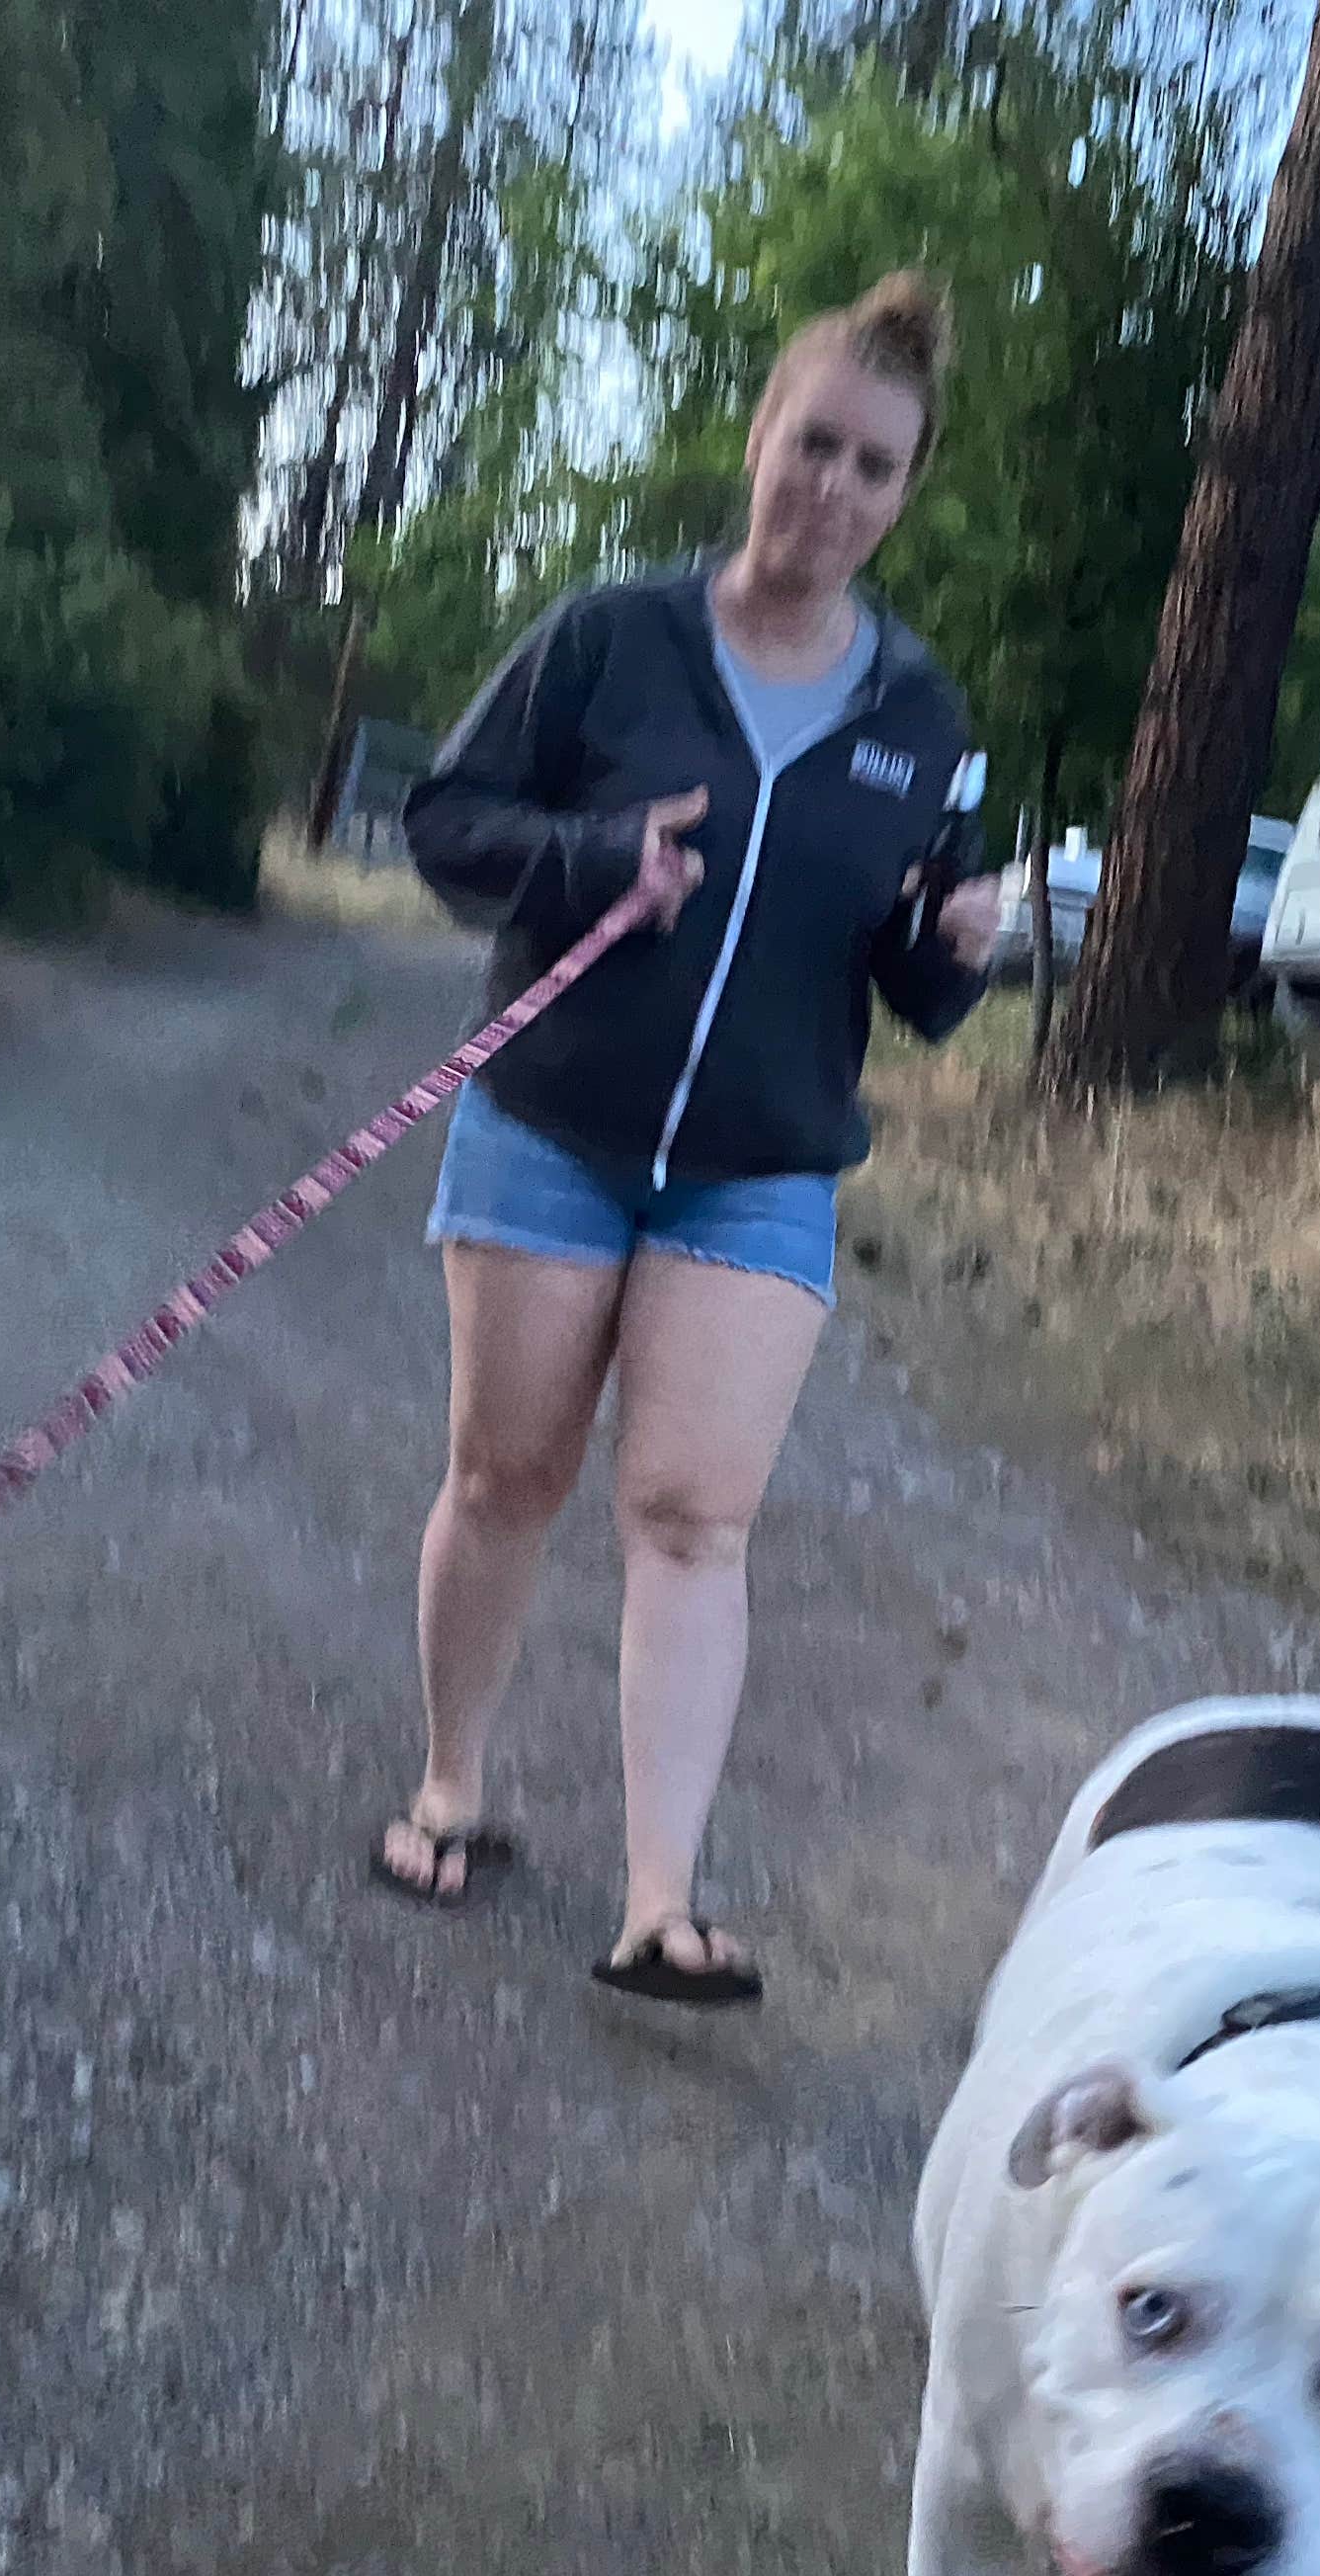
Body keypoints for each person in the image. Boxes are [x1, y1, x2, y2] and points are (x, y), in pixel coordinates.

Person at [371, 270, 1003, 2007]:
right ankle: (452, 1782)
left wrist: (956, 950)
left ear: (901, 492)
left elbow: (908, 961)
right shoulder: (609, 637)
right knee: (508, 1477)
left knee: (692, 1514)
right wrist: (591, 859)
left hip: (760, 1162)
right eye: (814, 445)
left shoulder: (920, 719)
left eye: (875, 468)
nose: (834, 491)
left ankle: (659, 1897)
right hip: (549, 1123)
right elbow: (447, 819)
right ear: (759, 438)